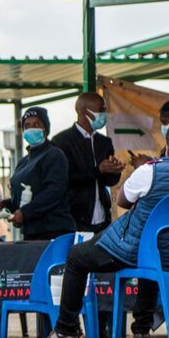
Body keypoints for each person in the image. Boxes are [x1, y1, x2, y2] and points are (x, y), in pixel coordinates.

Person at [38, 121, 169, 338]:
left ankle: (66, 330)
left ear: (167, 147)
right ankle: (141, 330)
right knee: (154, 249)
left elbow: (122, 201)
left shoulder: (150, 171)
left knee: (78, 256)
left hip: (145, 250)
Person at [0, 106, 75, 241]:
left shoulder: (54, 155)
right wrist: (3, 205)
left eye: (37, 124)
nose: (31, 128)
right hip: (32, 233)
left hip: (54, 231)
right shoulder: (24, 162)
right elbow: (21, 200)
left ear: (45, 128)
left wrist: (24, 213)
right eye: (27, 125)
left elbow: (53, 192)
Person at [51, 93, 124, 233]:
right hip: (75, 218)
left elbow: (108, 181)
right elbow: (66, 179)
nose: (104, 114)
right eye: (101, 110)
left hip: (103, 219)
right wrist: (98, 170)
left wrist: (115, 170)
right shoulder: (61, 141)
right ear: (84, 111)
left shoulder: (104, 142)